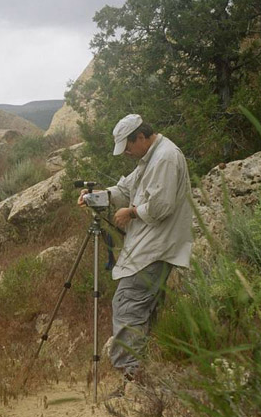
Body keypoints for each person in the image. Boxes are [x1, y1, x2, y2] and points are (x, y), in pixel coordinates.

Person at [78, 114, 193, 391]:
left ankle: (133, 381)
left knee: (127, 308)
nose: (127, 153)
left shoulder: (165, 158)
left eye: (128, 147)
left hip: (153, 250)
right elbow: (126, 187)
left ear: (140, 137)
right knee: (142, 315)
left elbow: (161, 206)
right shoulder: (149, 158)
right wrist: (100, 196)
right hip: (149, 249)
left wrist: (130, 212)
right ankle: (144, 383)